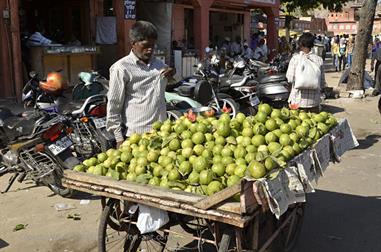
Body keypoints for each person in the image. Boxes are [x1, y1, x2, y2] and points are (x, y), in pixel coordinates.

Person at [106, 21, 175, 148]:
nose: (150, 50)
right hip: (136, 137)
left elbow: (168, 79)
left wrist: (172, 72)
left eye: (153, 46)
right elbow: (114, 105)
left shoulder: (158, 64)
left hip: (161, 132)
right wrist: (119, 138)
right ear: (133, 43)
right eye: (146, 45)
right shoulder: (121, 68)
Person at [286, 32, 326, 113]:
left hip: (297, 101)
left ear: (300, 44)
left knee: (297, 124)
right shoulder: (319, 60)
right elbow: (322, 82)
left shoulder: (295, 59)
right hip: (314, 102)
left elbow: (290, 79)